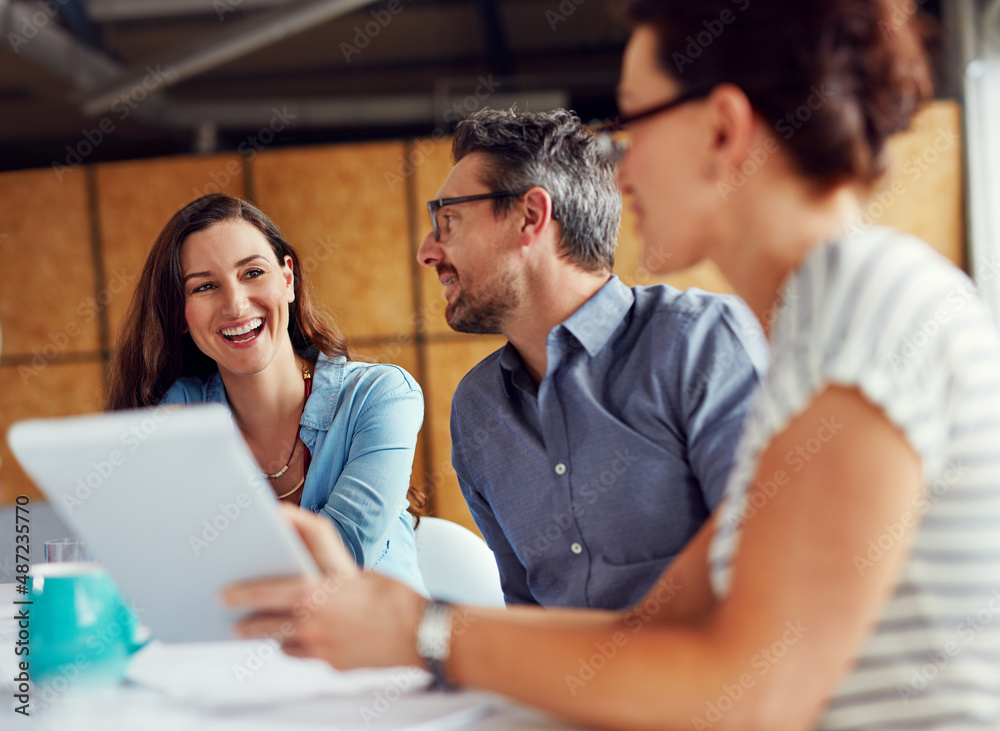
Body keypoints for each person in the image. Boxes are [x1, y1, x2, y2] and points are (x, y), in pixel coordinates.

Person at [222, 1, 1000, 728]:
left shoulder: (865, 302)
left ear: (723, 130)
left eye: (633, 121)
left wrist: (418, 629)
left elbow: (753, 687)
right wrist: (383, 617)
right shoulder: (812, 335)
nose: (617, 169)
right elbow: (643, 630)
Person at [418, 107, 767, 609]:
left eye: (447, 221)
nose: (427, 251)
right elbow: (527, 610)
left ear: (530, 217)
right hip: (555, 686)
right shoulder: (477, 407)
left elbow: (763, 578)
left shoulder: (699, 344)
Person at [105, 194, 427, 593]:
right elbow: (154, 561)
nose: (236, 305)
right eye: (205, 286)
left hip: (378, 650)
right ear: (179, 315)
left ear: (287, 279)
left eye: (252, 273)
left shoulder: (381, 397)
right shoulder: (178, 413)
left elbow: (341, 558)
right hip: (237, 651)